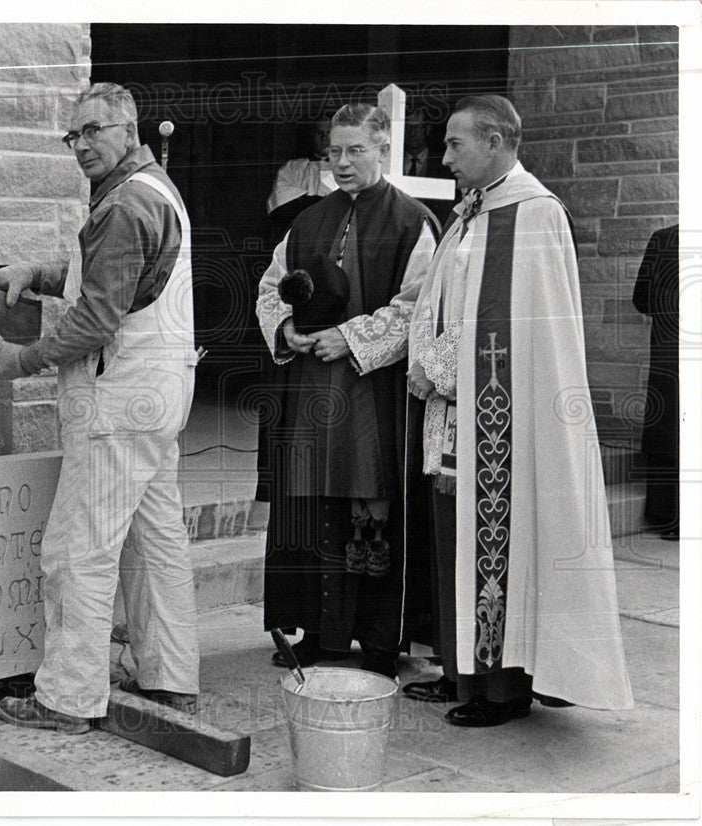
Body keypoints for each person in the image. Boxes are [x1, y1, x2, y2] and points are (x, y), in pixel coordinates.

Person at [0, 82, 199, 733]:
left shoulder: (123, 205)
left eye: (94, 131)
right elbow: (108, 278)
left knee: (77, 550)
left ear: (128, 129)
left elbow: (97, 317)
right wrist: (35, 276)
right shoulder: (153, 191)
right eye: (74, 136)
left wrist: (22, 359)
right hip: (157, 394)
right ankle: (170, 678)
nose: (82, 146)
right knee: (156, 545)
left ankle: (67, 697)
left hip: (117, 400)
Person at [404, 95, 634, 726]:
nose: (443, 157)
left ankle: (500, 689)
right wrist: (426, 358)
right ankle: (460, 673)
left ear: (499, 141)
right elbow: (438, 304)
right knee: (454, 538)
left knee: (498, 542)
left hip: (504, 421)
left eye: (456, 144)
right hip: (453, 418)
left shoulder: (533, 215)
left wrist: (444, 367)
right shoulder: (470, 214)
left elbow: (520, 334)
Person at [256, 102, 439, 679]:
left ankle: (382, 640)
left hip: (374, 394)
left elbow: (419, 306)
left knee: (372, 505)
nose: (341, 162)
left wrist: (349, 338)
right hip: (312, 389)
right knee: (311, 505)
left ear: (383, 150)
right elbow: (271, 287)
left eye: (355, 150)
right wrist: (285, 328)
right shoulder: (306, 221)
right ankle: (319, 633)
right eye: (334, 151)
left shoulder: (412, 222)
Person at [632, 225, 679, 539]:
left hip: (669, 350)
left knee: (669, 427)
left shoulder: (664, 239)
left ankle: (668, 516)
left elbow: (641, 299)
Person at [266, 117, 338, 236]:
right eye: (319, 133)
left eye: (328, 133)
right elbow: (279, 205)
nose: (324, 138)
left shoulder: (344, 168)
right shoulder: (292, 168)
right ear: (312, 134)